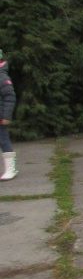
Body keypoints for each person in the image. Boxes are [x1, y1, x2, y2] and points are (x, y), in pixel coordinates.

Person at [0, 48, 17, 181]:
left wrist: (6, 116)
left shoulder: (2, 77)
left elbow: (10, 97)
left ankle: (11, 168)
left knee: (4, 141)